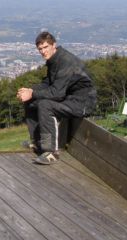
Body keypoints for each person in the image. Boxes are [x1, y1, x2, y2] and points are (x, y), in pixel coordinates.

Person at [17, 31, 97, 165]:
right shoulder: (54, 60)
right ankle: (38, 142)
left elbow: (57, 93)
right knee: (31, 102)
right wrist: (31, 91)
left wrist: (32, 94)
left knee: (45, 105)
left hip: (82, 102)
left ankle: (51, 152)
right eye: (40, 49)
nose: (43, 52)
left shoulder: (65, 61)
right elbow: (47, 83)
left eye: (45, 47)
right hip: (69, 98)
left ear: (54, 45)